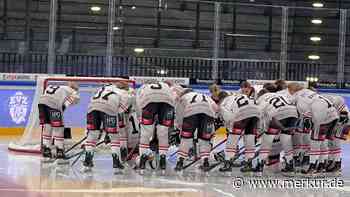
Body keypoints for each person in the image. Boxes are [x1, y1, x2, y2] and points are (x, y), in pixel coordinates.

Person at [288, 83, 339, 175]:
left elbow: (299, 110)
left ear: (291, 90)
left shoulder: (296, 96)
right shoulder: (309, 92)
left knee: (315, 144)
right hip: (333, 114)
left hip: (321, 114)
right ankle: (321, 166)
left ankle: (312, 168)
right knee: (323, 142)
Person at [83, 83, 129, 173]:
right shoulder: (124, 93)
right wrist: (109, 131)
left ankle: (87, 159)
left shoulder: (102, 88)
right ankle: (116, 162)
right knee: (114, 137)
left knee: (92, 136)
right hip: (109, 108)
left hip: (92, 107)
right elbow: (119, 111)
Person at [255, 88, 299, 173]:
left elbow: (260, 115)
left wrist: (259, 130)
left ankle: (260, 165)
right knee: (286, 141)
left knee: (266, 142)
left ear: (260, 95)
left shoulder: (261, 99)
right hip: (293, 113)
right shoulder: (279, 95)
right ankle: (290, 165)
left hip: (278, 114)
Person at [174, 89, 217, 172]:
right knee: (205, 140)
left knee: (186, 140)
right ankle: (205, 162)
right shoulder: (206, 96)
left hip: (190, 114)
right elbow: (216, 108)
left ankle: (180, 162)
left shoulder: (184, 97)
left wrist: (179, 125)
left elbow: (178, 111)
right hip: (208, 115)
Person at [136, 82, 175, 171]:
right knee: (163, 133)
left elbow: (138, 103)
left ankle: (143, 158)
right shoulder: (168, 87)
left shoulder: (143, 87)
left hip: (149, 101)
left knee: (145, 133)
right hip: (167, 102)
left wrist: (140, 118)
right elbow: (174, 102)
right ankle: (163, 159)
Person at [218, 91, 260, 173]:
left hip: (241, 114)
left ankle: (227, 163)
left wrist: (230, 129)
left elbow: (228, 117)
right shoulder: (240, 95)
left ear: (221, 99)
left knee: (232, 139)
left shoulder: (224, 101)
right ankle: (249, 164)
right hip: (256, 113)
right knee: (249, 139)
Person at [38, 82, 80, 164]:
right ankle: (60, 152)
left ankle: (46, 151)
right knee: (59, 129)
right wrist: (62, 107)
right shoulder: (72, 91)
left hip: (42, 103)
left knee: (47, 127)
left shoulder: (59, 87)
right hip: (54, 104)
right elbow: (74, 98)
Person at [323, 94, 349, 173]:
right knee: (331, 143)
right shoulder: (328, 102)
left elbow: (343, 119)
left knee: (335, 143)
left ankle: (336, 163)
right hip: (339, 123)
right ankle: (332, 161)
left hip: (343, 124)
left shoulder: (341, 108)